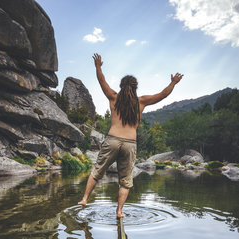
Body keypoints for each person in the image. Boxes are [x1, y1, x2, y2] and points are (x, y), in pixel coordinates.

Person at [78, 53, 183, 217]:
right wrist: (173, 83)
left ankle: (85, 199)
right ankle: (119, 211)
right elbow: (163, 95)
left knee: (97, 171)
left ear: (121, 86)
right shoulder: (141, 101)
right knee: (125, 181)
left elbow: (101, 81)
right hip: (130, 144)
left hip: (112, 140)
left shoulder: (113, 97)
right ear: (135, 87)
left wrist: (98, 66)